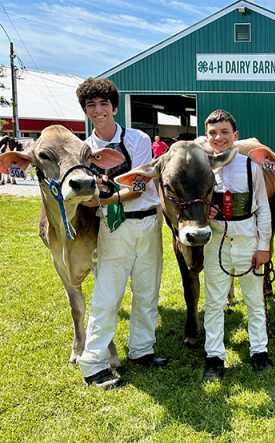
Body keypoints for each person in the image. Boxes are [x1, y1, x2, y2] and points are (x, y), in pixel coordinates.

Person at [76, 78, 167, 389]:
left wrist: (106, 196)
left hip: (148, 222)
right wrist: (107, 197)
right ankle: (93, 363)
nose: (99, 110)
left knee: (147, 290)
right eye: (91, 106)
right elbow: (85, 196)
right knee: (107, 294)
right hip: (113, 226)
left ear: (114, 107)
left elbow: (141, 185)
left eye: (104, 104)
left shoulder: (138, 139)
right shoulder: (84, 150)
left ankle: (142, 349)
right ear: (86, 112)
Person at [201, 109, 272, 382]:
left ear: (235, 136)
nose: (219, 138)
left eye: (224, 132)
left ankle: (259, 351)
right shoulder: (202, 167)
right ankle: (214, 356)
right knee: (215, 301)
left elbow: (263, 209)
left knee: (254, 300)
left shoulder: (250, 167)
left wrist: (263, 246)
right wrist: (205, 213)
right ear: (207, 137)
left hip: (247, 240)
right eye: (213, 133)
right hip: (216, 242)